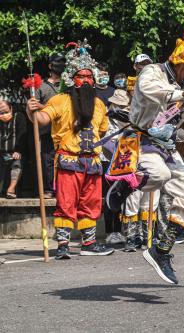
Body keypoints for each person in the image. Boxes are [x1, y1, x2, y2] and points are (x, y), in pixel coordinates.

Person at [106, 30, 184, 284]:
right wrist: (181, 95)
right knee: (158, 174)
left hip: (168, 145)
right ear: (183, 65)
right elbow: (149, 88)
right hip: (141, 140)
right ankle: (123, 185)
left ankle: (160, 251)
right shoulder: (153, 72)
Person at [26, 40, 114, 259]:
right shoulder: (60, 100)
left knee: (91, 203)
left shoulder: (99, 105)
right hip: (68, 160)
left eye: (88, 77)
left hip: (92, 162)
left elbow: (102, 131)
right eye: (80, 76)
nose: (85, 80)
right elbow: (41, 119)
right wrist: (31, 110)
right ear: (71, 79)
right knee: (66, 202)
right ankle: (63, 244)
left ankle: (89, 243)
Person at [35, 52, 66, 199]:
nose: (60, 66)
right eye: (57, 63)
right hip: (47, 129)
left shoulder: (67, 84)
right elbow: (33, 106)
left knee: (64, 160)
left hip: (64, 130)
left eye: (62, 63)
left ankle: (63, 188)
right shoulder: (41, 86)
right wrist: (46, 109)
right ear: (50, 65)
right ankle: (48, 189)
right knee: (48, 160)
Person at [103, 89, 130, 245]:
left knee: (120, 195)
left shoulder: (126, 118)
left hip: (123, 160)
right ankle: (109, 231)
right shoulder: (105, 117)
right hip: (106, 160)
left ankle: (119, 230)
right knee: (109, 196)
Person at [0, 100, 26, 198]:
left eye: (6, 112)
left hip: (15, 151)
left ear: (11, 108)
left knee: (17, 163)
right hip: (2, 152)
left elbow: (22, 133)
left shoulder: (19, 117)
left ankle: (11, 189)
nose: (4, 115)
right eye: (1, 113)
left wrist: (18, 150)